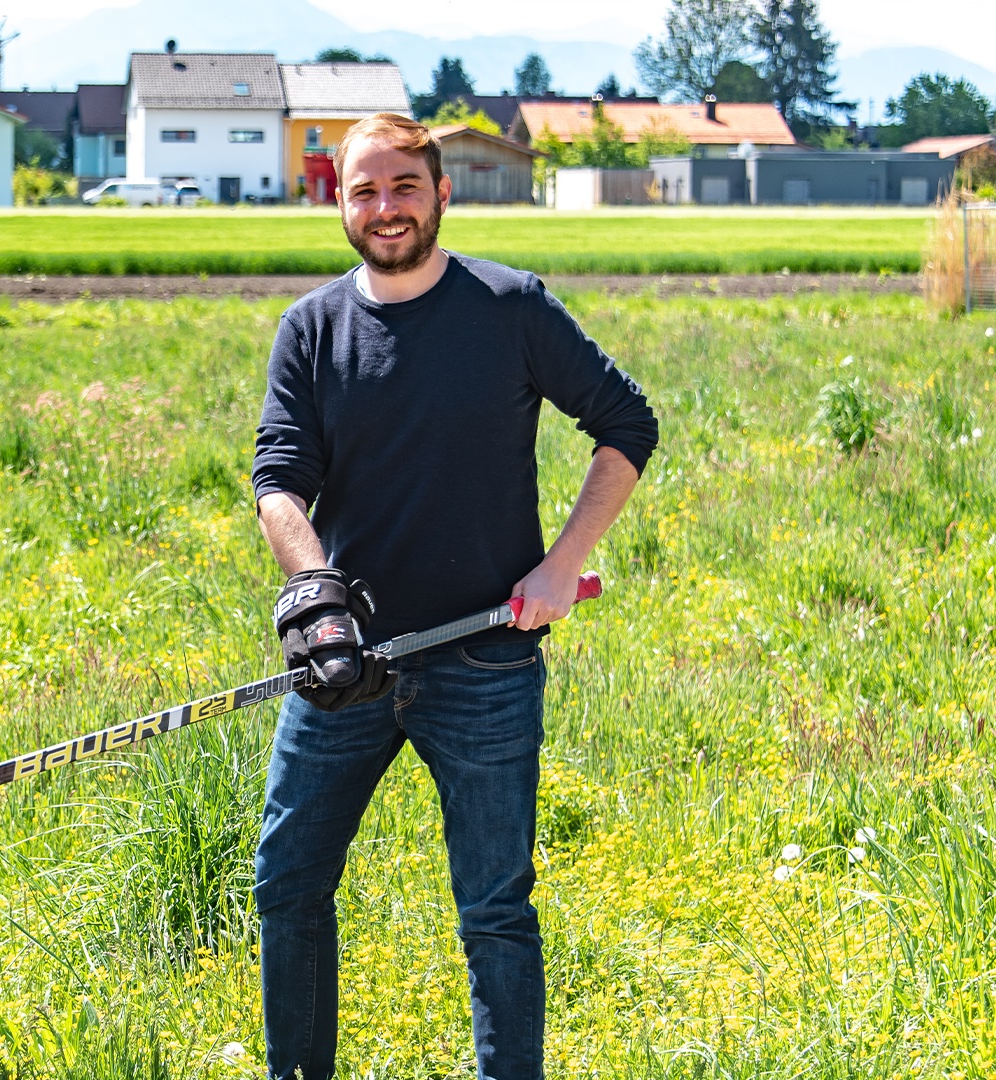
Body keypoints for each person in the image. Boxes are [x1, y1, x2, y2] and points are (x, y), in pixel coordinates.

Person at [250, 113, 659, 1080]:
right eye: (364, 191)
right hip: (348, 662)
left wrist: (561, 564)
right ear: (338, 200)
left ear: (440, 193)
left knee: (494, 908)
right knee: (287, 881)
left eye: (403, 187)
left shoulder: (511, 310)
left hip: (488, 658)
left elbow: (626, 423)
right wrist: (315, 593)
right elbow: (279, 479)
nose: (384, 208)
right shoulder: (311, 329)